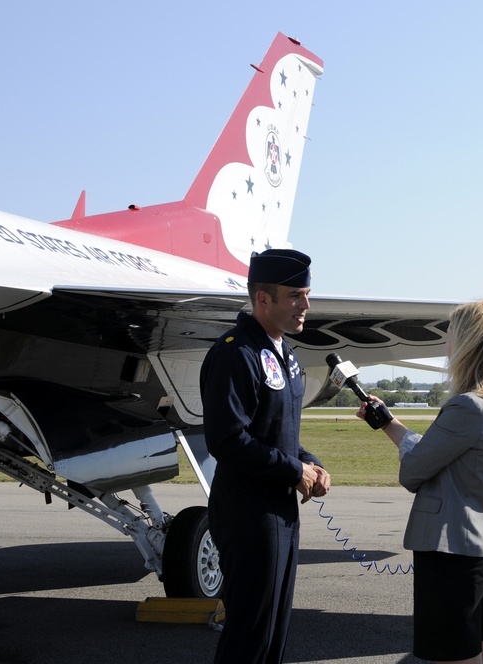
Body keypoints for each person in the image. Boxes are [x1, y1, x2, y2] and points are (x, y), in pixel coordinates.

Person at [356, 299, 483, 664]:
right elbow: (439, 455)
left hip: (452, 555)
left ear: (464, 344)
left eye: (450, 334)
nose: (446, 342)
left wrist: (396, 435)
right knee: (481, 652)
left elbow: (413, 471)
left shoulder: (467, 406)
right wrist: (388, 424)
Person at [200, 248, 331, 664]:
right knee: (250, 635)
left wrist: (311, 464)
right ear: (263, 299)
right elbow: (227, 439)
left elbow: (277, 434)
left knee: (274, 633)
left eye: (306, 294)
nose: (305, 305)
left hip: (280, 509)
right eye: (295, 296)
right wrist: (294, 470)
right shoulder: (235, 353)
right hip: (247, 513)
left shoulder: (284, 354)